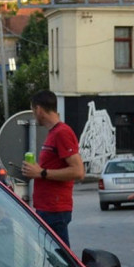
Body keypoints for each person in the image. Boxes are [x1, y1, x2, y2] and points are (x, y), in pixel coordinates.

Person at [22, 90, 85, 247]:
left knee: (62, 261)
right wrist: (36, 171)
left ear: (38, 109)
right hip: (48, 208)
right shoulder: (54, 133)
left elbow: (78, 171)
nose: (34, 115)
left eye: (33, 111)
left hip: (55, 209)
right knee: (55, 258)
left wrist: (41, 172)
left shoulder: (62, 133)